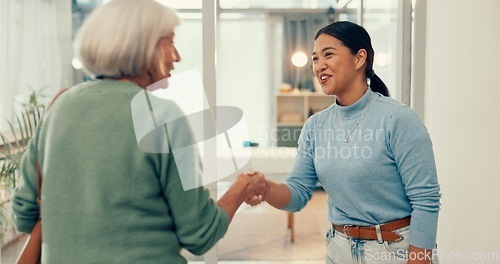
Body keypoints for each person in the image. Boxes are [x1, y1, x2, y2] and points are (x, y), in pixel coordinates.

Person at [12, 0, 267, 263]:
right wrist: (241, 188)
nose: (177, 56)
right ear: (143, 46)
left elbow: (24, 215)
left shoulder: (58, 109)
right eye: (170, 42)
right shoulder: (163, 116)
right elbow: (200, 234)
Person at [248, 21, 441, 264]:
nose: (319, 65)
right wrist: (264, 188)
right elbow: (297, 194)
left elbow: (426, 199)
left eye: (328, 54)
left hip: (394, 252)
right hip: (339, 250)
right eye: (315, 58)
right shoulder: (315, 126)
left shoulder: (398, 119)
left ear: (359, 58)